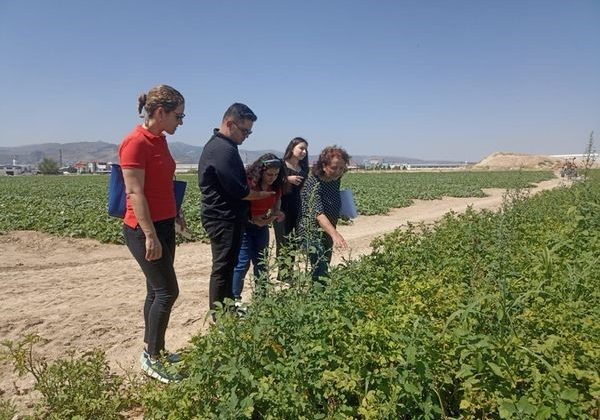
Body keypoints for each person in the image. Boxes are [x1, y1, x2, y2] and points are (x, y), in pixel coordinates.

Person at [119, 84, 185, 383]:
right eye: (178, 116)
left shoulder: (160, 140)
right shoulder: (135, 143)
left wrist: (176, 213)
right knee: (168, 291)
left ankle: (153, 348)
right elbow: (134, 192)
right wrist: (149, 235)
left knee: (155, 290)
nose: (180, 123)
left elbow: (163, 182)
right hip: (143, 229)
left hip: (164, 223)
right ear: (161, 112)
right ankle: (152, 358)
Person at [198, 103, 274, 320]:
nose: (247, 135)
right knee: (223, 268)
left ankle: (228, 310)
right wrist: (264, 196)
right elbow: (240, 191)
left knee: (229, 265)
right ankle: (220, 317)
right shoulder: (222, 149)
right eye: (245, 130)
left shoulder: (225, 147)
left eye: (250, 131)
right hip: (222, 218)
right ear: (230, 124)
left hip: (228, 217)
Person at [232, 154, 286, 302]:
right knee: (242, 264)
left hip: (262, 227)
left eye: (276, 174)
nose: (272, 178)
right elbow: (240, 205)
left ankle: (262, 298)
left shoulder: (276, 186)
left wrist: (277, 214)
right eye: (269, 174)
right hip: (245, 227)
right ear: (260, 171)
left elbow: (276, 206)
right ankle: (235, 300)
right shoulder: (249, 184)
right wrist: (253, 219)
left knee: (261, 262)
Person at [298, 146, 350, 282]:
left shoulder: (335, 180)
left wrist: (341, 213)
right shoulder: (313, 183)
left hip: (328, 229)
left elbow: (331, 202)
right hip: (312, 231)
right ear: (324, 165)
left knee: (325, 263)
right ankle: (317, 296)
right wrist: (335, 234)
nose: (338, 172)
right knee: (319, 266)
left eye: (341, 168)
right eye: (334, 167)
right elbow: (318, 213)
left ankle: (321, 294)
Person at [273, 137, 309, 281]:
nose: (304, 152)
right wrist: (287, 180)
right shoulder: (281, 165)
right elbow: (271, 181)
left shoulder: (304, 168)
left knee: (293, 240)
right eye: (301, 148)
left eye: (306, 149)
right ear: (292, 148)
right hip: (281, 206)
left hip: (296, 206)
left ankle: (290, 272)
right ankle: (283, 275)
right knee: (282, 239)